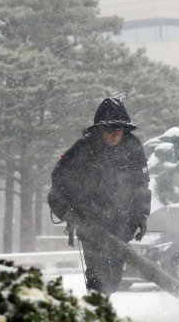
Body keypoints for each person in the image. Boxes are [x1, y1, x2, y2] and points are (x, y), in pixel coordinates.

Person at [48, 98, 151, 297]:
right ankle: (96, 306)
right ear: (100, 129)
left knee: (113, 275)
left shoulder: (133, 147)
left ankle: (101, 302)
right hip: (90, 220)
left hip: (122, 220)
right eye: (111, 130)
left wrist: (142, 215)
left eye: (120, 130)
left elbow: (141, 185)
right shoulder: (84, 147)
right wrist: (74, 205)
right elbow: (59, 177)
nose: (116, 135)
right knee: (96, 272)